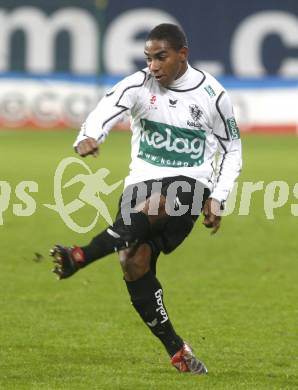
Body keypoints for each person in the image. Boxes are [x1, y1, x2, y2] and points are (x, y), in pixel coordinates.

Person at [50, 23, 242, 374]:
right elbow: (107, 108)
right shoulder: (138, 84)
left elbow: (232, 150)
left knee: (157, 205)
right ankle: (177, 349)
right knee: (131, 262)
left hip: (190, 185)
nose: (153, 66)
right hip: (140, 183)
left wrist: (219, 196)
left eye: (161, 57)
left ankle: (81, 256)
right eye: (148, 58)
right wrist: (90, 136)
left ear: (182, 54)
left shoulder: (214, 95)